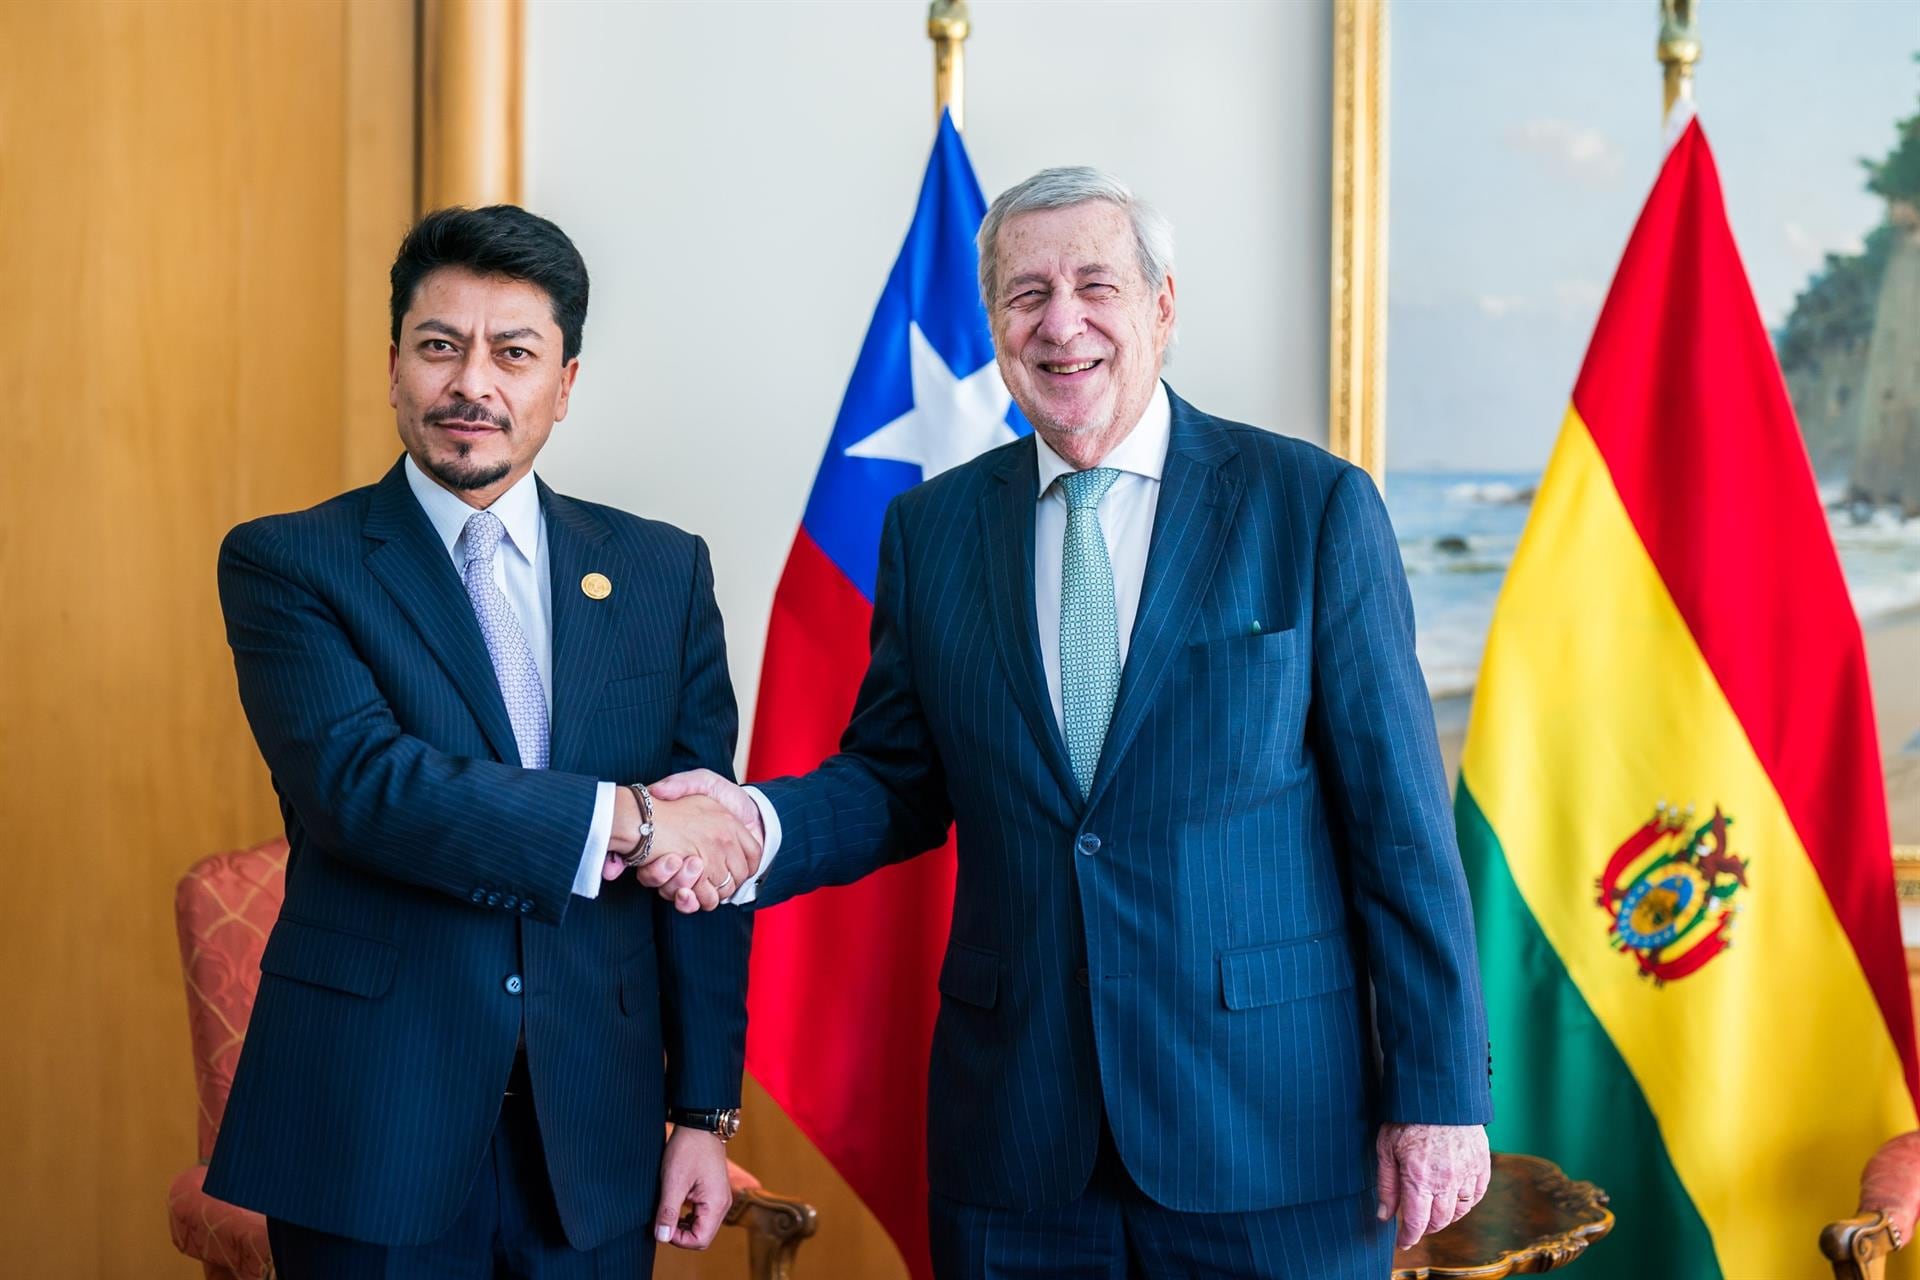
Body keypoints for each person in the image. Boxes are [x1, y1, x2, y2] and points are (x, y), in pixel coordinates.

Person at [653, 168, 1494, 1277]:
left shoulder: (1309, 505)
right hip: (1019, 1143)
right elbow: (898, 779)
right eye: (1026, 293)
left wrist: (1439, 1092)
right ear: (994, 322)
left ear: (1162, 306)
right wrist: (753, 824)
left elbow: (1400, 828)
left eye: (1097, 285)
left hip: (1271, 1134)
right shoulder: (932, 529)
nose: (1061, 323)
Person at [208, 204, 763, 1278]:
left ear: (565, 382)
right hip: (372, 1115)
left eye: (513, 353)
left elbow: (704, 863)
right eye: (439, 346)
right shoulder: (291, 563)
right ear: (393, 367)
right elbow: (365, 787)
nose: (473, 383)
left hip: (594, 1127)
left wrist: (704, 1108)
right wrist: (632, 820)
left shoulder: (662, 573)